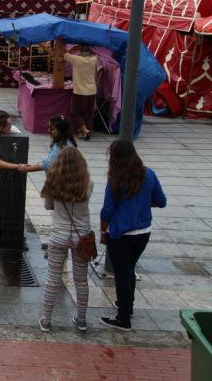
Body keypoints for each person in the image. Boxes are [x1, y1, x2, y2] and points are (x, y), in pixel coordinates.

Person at [99, 140, 166, 331]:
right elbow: (161, 201)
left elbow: (107, 211)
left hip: (121, 234)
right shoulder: (149, 174)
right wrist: (143, 203)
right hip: (143, 233)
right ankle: (127, 305)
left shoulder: (116, 179)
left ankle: (123, 318)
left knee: (122, 274)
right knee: (129, 269)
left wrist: (103, 231)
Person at [38, 147, 93, 333]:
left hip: (59, 235)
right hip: (81, 236)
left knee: (52, 279)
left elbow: (48, 206)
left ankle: (46, 319)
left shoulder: (53, 183)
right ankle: (82, 319)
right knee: (81, 280)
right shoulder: (88, 183)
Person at [0, 110, 22, 234]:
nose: (9, 127)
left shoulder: (14, 131)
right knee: (1, 194)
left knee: (10, 194)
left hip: (13, 168)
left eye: (10, 124)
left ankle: (10, 220)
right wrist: (17, 166)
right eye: (6, 125)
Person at [65, 45, 99, 141]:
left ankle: (84, 129)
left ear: (79, 51)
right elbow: (95, 55)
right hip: (92, 90)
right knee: (89, 113)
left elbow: (65, 55)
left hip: (79, 91)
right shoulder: (94, 60)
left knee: (75, 112)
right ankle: (85, 131)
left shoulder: (76, 59)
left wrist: (73, 49)